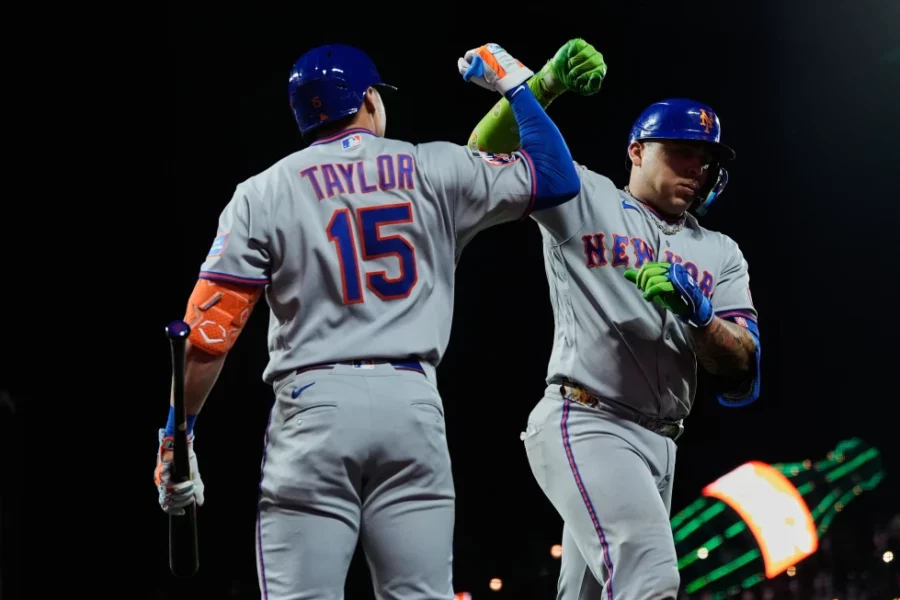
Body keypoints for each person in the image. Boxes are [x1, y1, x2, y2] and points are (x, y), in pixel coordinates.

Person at [154, 42, 581, 600]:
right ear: (370, 100)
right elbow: (555, 176)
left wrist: (174, 436)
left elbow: (208, 338)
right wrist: (516, 85)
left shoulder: (262, 192)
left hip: (314, 405)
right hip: (412, 402)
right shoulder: (434, 164)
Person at [467, 38, 762, 600]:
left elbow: (742, 359)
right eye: (682, 150)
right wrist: (544, 84)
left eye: (707, 158)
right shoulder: (586, 195)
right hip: (588, 419)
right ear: (636, 151)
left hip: (661, 442)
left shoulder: (721, 252)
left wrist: (699, 315)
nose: (698, 166)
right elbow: (481, 153)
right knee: (650, 579)